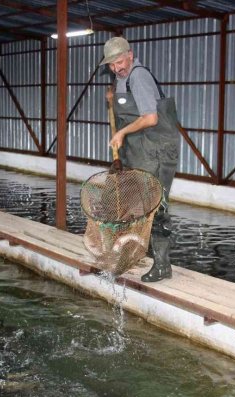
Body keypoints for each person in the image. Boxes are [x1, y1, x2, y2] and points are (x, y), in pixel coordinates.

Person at [101, 36, 180, 283]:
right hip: (141, 151)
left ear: (131, 55)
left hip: (157, 152)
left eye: (120, 62)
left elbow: (150, 118)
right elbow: (128, 111)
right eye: (112, 65)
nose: (117, 68)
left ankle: (163, 265)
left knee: (157, 207)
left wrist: (122, 132)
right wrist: (113, 100)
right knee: (137, 205)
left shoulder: (139, 76)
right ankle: (136, 253)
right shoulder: (122, 79)